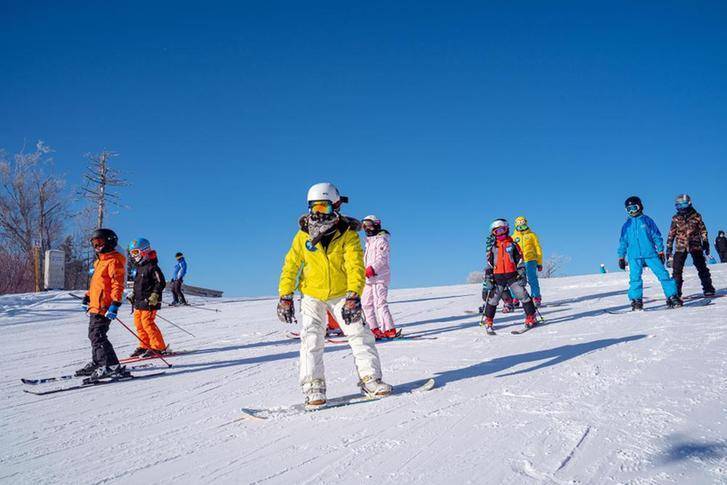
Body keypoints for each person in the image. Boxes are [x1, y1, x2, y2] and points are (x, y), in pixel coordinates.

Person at [277, 182, 391, 408]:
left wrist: (353, 295)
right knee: (311, 339)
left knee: (359, 333)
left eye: (325, 208)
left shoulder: (347, 234)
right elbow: (291, 265)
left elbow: (355, 266)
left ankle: (370, 380)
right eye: (315, 208)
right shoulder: (302, 236)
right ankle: (313, 387)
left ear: (336, 206)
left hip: (341, 294)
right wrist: (285, 295)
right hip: (312, 294)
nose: (320, 214)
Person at [76, 228, 130, 379]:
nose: (97, 246)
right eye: (94, 243)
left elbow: (117, 284)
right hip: (95, 306)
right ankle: (98, 362)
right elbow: (97, 284)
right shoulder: (100, 261)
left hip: (105, 306)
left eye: (100, 242)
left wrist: (115, 303)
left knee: (98, 335)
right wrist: (87, 297)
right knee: (93, 335)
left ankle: (111, 365)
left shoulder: (114, 261)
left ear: (110, 241)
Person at [617, 196, 680, 310]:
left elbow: (656, 236)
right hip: (634, 256)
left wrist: (660, 251)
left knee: (663, 275)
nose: (632, 211)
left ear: (640, 207)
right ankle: (636, 301)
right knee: (635, 279)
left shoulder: (647, 221)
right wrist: (621, 257)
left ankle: (672, 296)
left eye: (634, 208)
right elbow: (623, 242)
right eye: (629, 209)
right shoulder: (626, 225)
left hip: (650, 253)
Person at [481, 219, 538, 331]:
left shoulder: (513, 245)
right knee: (493, 299)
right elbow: (489, 264)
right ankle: (488, 319)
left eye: (502, 230)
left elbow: (520, 260)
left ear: (507, 230)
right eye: (497, 231)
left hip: (512, 276)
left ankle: (531, 316)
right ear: (493, 233)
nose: (500, 233)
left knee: (522, 295)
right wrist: (488, 277)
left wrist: (521, 274)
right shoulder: (493, 248)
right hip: (498, 277)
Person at [666, 194, 715, 298]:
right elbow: (671, 233)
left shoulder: (696, 216)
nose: (681, 208)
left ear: (689, 204)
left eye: (682, 205)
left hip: (695, 245)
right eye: (678, 206)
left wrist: (705, 242)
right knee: (677, 270)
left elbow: (703, 230)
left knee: (701, 266)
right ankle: (676, 292)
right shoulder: (676, 218)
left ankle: (708, 288)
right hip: (681, 246)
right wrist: (669, 247)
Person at [128, 238, 168, 357]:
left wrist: (155, 294)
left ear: (144, 251)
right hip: (139, 302)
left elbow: (160, 282)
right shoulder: (139, 267)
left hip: (150, 301)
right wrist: (133, 294)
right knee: (139, 324)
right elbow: (138, 285)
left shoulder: (153, 266)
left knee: (147, 323)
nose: (133, 256)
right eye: (131, 253)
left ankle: (158, 347)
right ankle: (144, 345)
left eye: (135, 252)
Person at [360, 215, 398, 340]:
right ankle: (373, 329)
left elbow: (381, 259)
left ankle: (389, 329)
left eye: (369, 225)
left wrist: (372, 269)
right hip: (368, 278)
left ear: (376, 225)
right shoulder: (368, 243)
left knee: (380, 303)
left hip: (379, 277)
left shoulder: (382, 240)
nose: (366, 228)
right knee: (365, 303)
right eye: (364, 225)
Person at [511, 216, 544, 307]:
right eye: (519, 227)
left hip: (530, 260)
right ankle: (515, 297)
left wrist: (539, 262)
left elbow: (538, 248)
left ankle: (536, 297)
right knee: (516, 280)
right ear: (516, 226)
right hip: (518, 262)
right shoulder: (513, 237)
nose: (522, 229)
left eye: (524, 226)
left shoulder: (532, 235)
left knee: (532, 279)